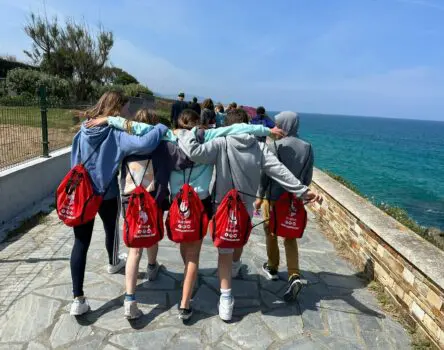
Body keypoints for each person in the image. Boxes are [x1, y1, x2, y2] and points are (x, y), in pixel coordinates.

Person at [87, 108, 284, 321]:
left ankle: (184, 283)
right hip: (201, 204)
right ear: (198, 124)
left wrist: (108, 119)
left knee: (184, 246)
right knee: (193, 257)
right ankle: (184, 304)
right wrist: (265, 128)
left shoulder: (168, 138)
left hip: (177, 205)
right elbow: (235, 128)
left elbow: (136, 127)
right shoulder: (206, 136)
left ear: (177, 124)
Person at [177, 108, 319, 321]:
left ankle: (225, 300)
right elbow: (280, 172)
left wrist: (186, 133)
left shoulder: (221, 143)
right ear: (248, 126)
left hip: (222, 207)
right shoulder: (260, 148)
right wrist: (303, 191)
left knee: (223, 252)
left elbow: (195, 152)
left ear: (230, 125)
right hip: (246, 207)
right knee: (239, 237)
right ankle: (235, 266)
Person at [69, 92, 168, 316]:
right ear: (118, 109)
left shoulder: (85, 128)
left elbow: (74, 158)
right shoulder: (115, 133)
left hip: (82, 193)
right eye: (127, 109)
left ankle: (78, 298)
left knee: (80, 242)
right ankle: (113, 262)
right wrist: (161, 128)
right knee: (110, 229)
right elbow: (145, 143)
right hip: (106, 192)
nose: (129, 113)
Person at [255, 111, 314, 302]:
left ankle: (272, 266)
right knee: (290, 237)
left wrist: (259, 196)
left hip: (273, 198)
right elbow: (307, 177)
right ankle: (294, 274)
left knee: (271, 232)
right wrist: (300, 194)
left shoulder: (274, 146)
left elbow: (265, 175)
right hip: (293, 200)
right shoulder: (307, 147)